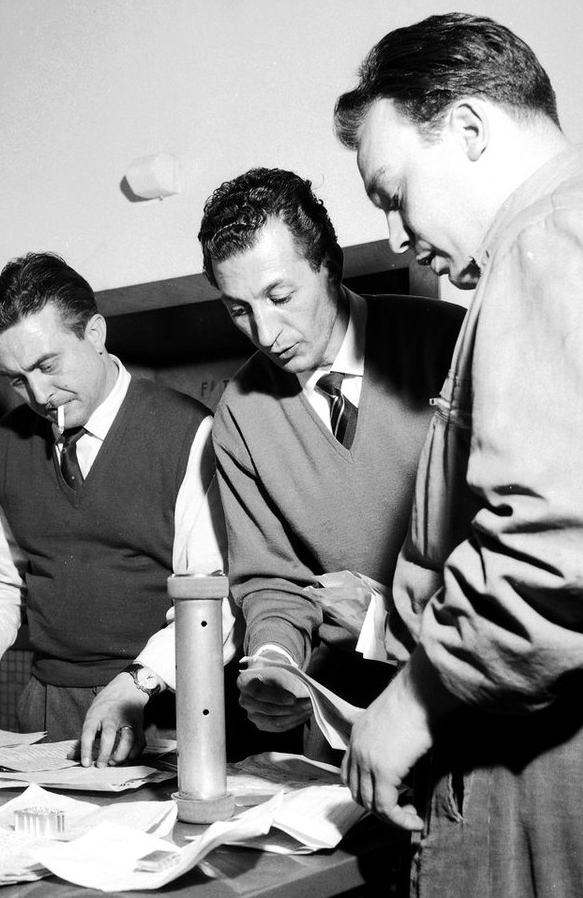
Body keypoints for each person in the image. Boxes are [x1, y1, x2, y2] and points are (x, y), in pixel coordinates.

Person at [333, 12, 583, 897]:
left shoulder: (553, 237)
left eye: (393, 193)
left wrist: (415, 701)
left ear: (468, 129)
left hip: (562, 775)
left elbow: (572, 541)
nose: (396, 235)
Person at [0, 251, 236, 768]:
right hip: (47, 706)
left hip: (164, 703)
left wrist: (136, 685)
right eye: (16, 378)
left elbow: (214, 601)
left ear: (94, 333)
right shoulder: (7, 442)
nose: (38, 394)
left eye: (47, 365)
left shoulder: (189, 432)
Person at [197, 168, 464, 758]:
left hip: (470, 699)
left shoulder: (451, 344)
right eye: (238, 309)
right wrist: (275, 659)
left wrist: (384, 618)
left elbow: (511, 555)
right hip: (350, 722)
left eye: (280, 297)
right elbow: (270, 580)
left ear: (329, 265)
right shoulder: (240, 412)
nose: (265, 332)